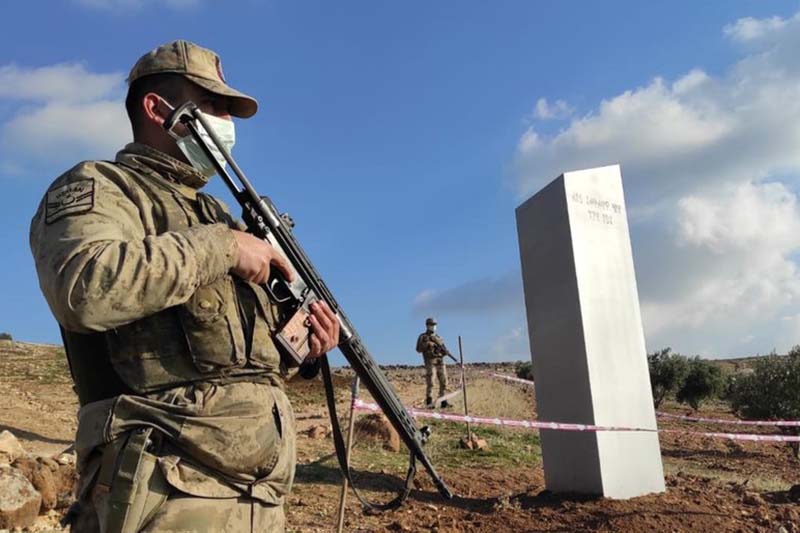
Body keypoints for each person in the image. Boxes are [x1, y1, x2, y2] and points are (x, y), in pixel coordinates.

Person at [29, 40, 340, 532]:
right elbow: (84, 289)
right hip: (162, 488)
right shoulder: (102, 187)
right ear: (157, 109)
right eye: (214, 106)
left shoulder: (215, 215)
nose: (226, 123)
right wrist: (226, 249)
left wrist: (305, 345)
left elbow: (236, 357)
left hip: (258, 496)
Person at [415, 317, 449, 408]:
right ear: (427, 326)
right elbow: (418, 349)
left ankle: (443, 402)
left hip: (440, 361)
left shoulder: (439, 338)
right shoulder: (423, 337)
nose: (433, 327)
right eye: (431, 325)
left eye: (434, 325)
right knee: (431, 382)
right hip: (430, 361)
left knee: (444, 381)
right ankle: (429, 401)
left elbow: (444, 349)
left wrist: (445, 352)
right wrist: (427, 344)